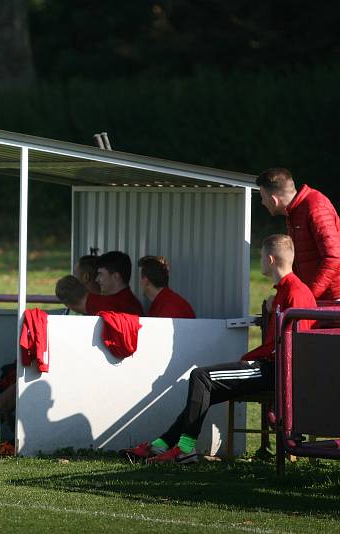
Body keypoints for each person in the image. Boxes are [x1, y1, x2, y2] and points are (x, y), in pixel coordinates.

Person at [122, 235, 315, 464]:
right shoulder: (287, 291)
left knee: (200, 376)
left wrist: (251, 359)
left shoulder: (295, 292)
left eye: (261, 256)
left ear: (271, 260)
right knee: (205, 387)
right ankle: (162, 444)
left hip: (275, 371)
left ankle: (184, 449)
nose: (260, 260)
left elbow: (294, 347)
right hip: (271, 367)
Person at [257, 168, 340, 301]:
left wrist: (307, 297)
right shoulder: (294, 212)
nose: (262, 202)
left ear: (273, 200)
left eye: (263, 197)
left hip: (333, 300)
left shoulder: (315, 207)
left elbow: (333, 257)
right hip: (319, 299)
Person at [56, 251, 144, 315]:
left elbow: (78, 301)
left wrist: (64, 286)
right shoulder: (131, 303)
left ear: (116, 277)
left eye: (101, 274)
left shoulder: (115, 305)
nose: (97, 279)